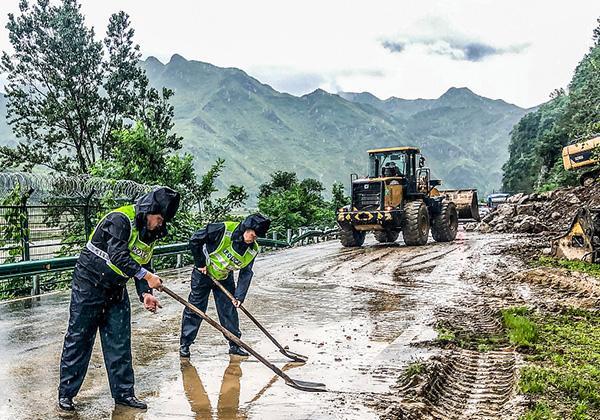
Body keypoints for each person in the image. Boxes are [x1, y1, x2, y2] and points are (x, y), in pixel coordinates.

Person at [57, 187, 180, 412]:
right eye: (159, 218)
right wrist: (147, 276)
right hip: (89, 286)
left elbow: (143, 262)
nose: (160, 224)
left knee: (119, 342)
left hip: (115, 289)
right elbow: (118, 256)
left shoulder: (148, 233)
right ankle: (66, 394)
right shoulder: (120, 220)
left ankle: (124, 394)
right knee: (80, 339)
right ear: (149, 210)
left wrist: (145, 292)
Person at [179, 214, 271, 358]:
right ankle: (185, 344)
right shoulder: (223, 229)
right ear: (246, 228)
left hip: (224, 277)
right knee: (196, 308)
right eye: (253, 235)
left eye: (256, 237)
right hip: (204, 274)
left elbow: (246, 273)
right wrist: (200, 262)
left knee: (229, 311)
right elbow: (195, 239)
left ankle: (234, 344)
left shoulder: (252, 250)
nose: (254, 239)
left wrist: (239, 296)